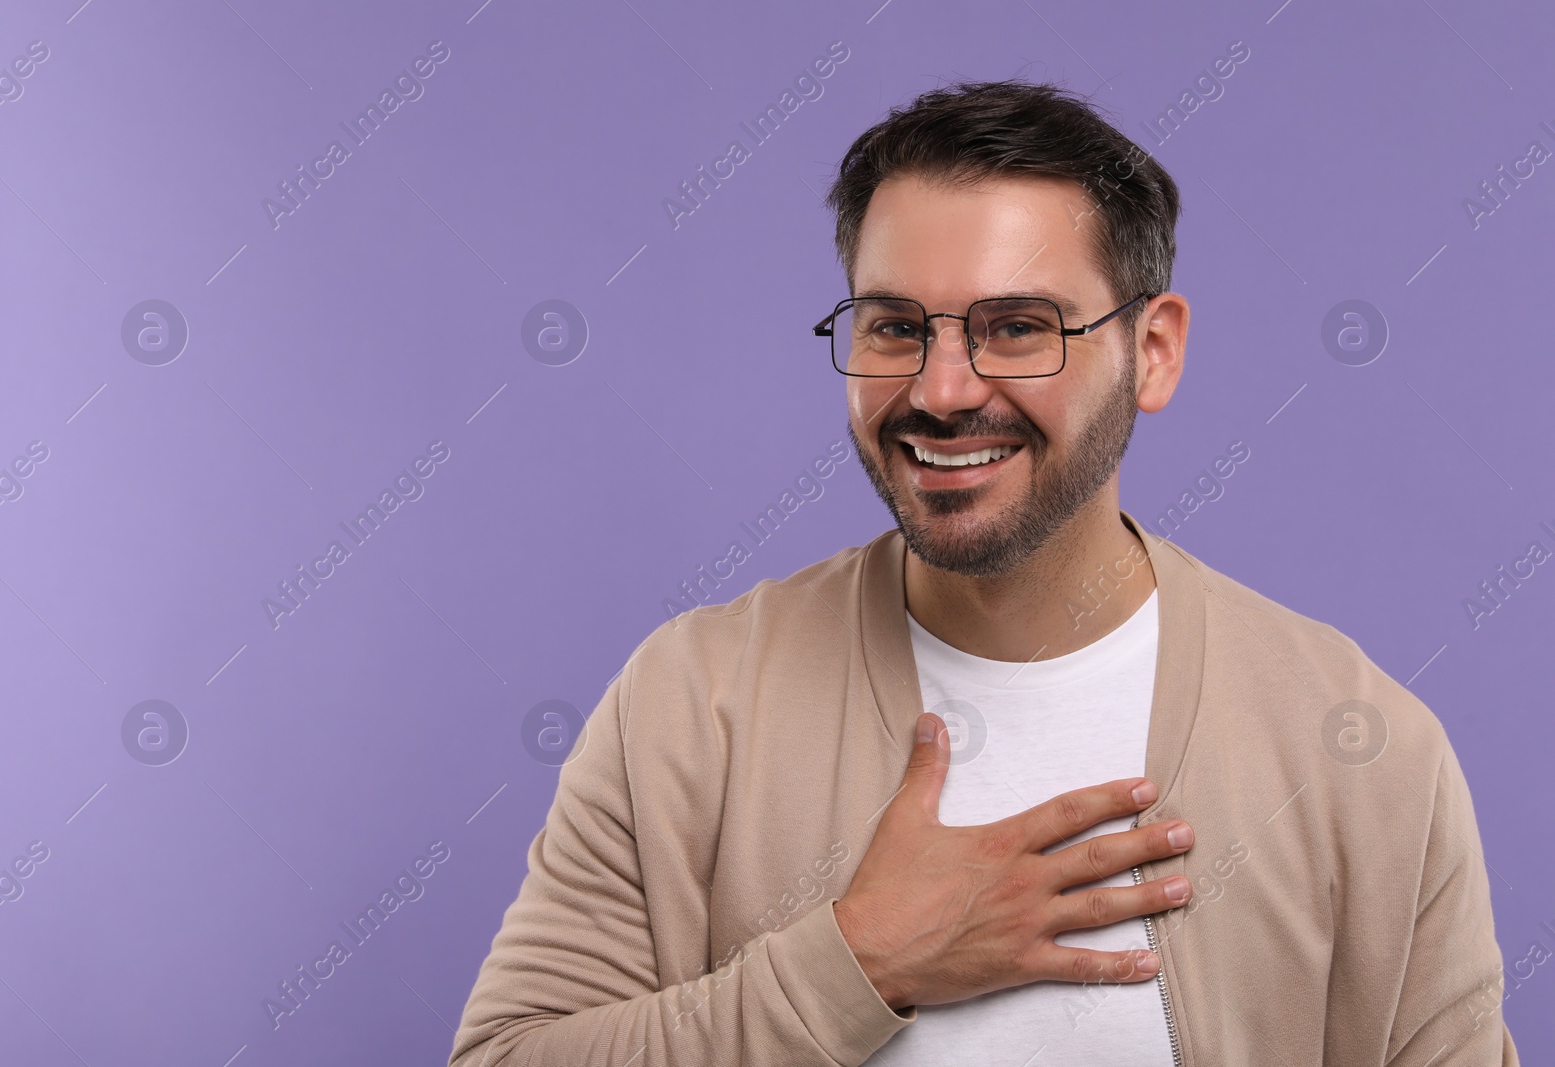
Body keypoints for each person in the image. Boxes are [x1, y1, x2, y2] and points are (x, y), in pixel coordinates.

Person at [448, 80, 1517, 1066]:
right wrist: (858, 961)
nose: (944, 388)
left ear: (1152, 350)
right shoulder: (692, 700)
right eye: (895, 325)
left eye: (1018, 327)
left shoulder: (1358, 747)